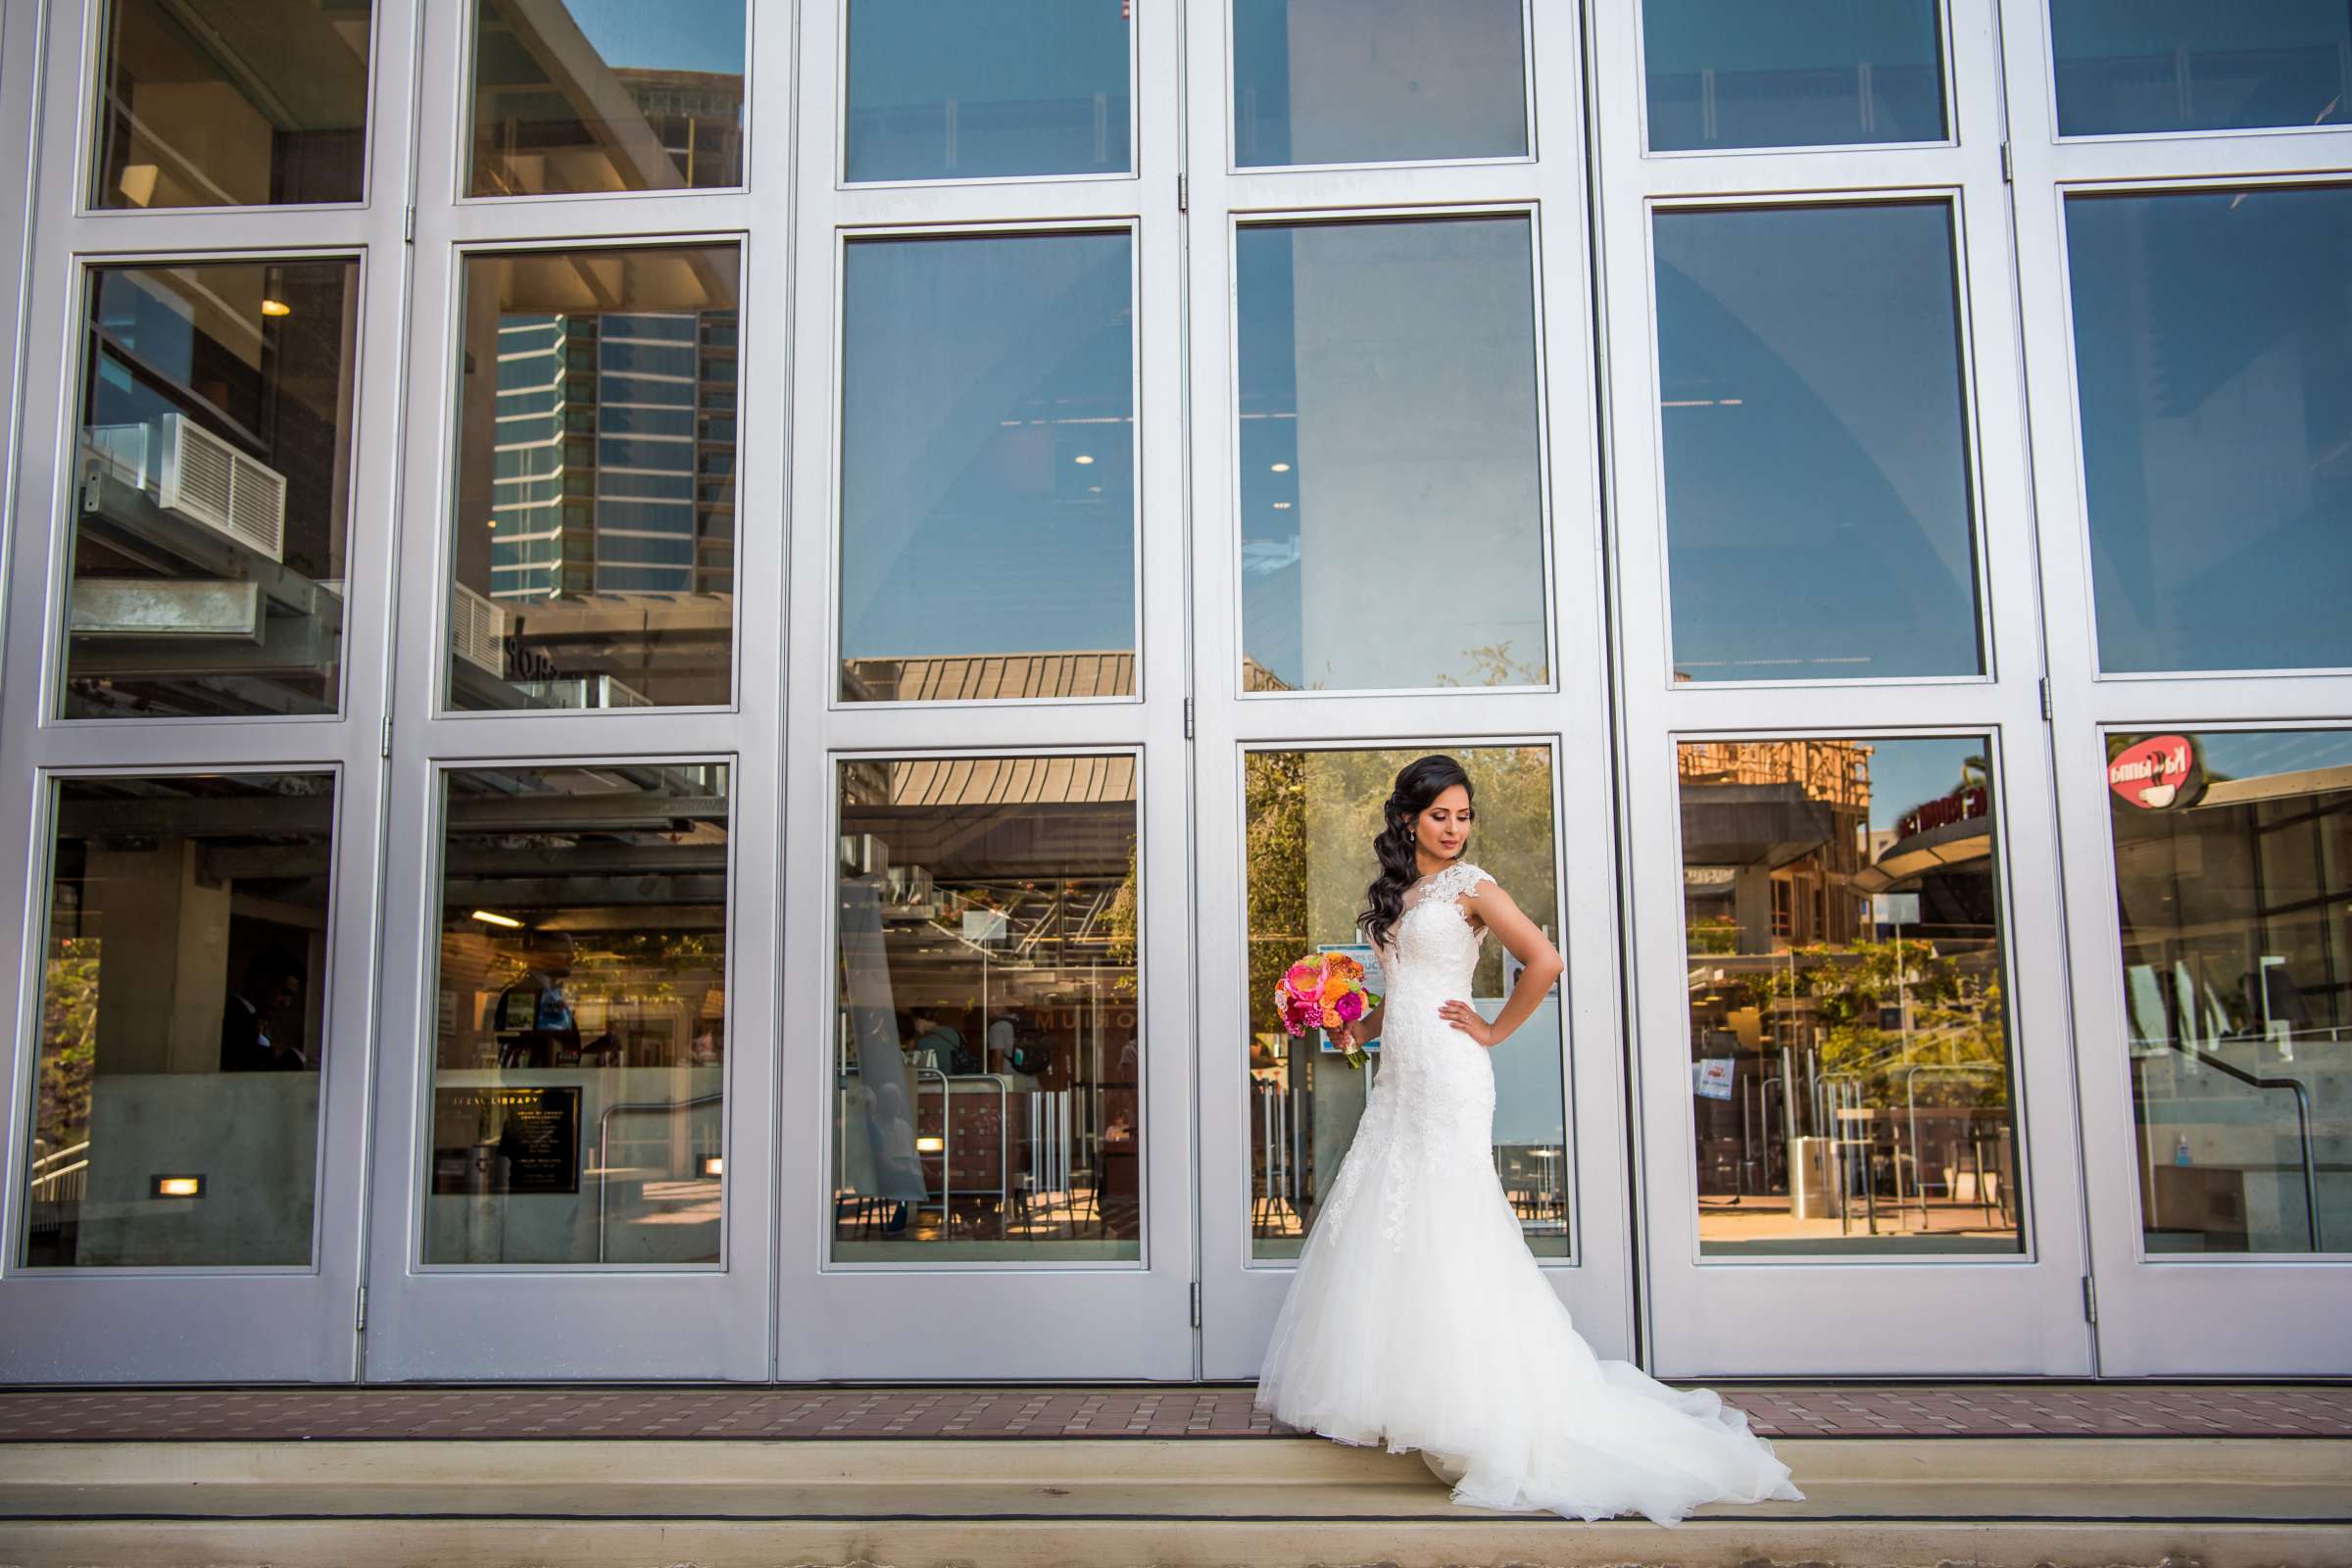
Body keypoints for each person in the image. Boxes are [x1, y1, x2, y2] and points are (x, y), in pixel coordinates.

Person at [1253, 754, 1803, 1526]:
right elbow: (1397, 1004)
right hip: (1400, 1079)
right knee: (1392, 1220)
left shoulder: (1472, 887)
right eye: (1441, 814)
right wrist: (1338, 1018)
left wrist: (1493, 1030)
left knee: (1454, 1220)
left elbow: (1543, 960)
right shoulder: (1396, 896)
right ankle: (1417, 1395)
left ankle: (1483, 1405)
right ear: (1409, 818)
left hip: (1450, 1076)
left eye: (1463, 814)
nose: (1453, 828)